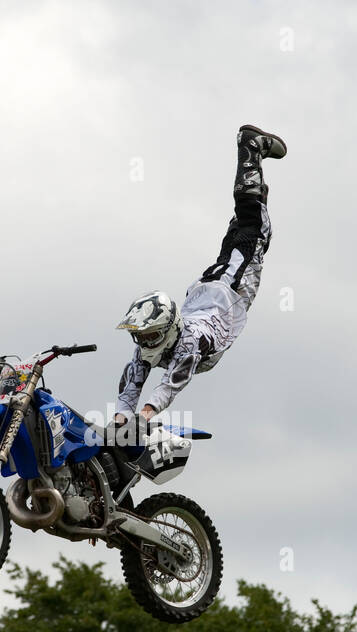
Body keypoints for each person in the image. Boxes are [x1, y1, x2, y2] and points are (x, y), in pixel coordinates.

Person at [112, 124, 287, 430]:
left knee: (251, 221)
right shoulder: (150, 340)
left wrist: (142, 419)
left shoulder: (189, 341)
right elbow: (131, 385)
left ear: (167, 328)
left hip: (231, 286)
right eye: (140, 336)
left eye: (149, 335)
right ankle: (257, 176)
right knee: (246, 223)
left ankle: (250, 147)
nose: (143, 341)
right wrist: (118, 421)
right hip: (210, 289)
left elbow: (171, 383)